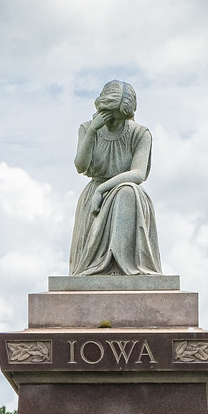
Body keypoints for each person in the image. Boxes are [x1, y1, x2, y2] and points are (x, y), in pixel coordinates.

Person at [69, 80, 162, 276]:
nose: (113, 122)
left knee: (128, 191)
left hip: (121, 193)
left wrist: (103, 190)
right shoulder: (87, 128)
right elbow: (81, 166)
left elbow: (138, 173)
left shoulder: (140, 133)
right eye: (109, 117)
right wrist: (93, 131)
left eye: (118, 119)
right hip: (93, 199)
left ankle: (127, 265)